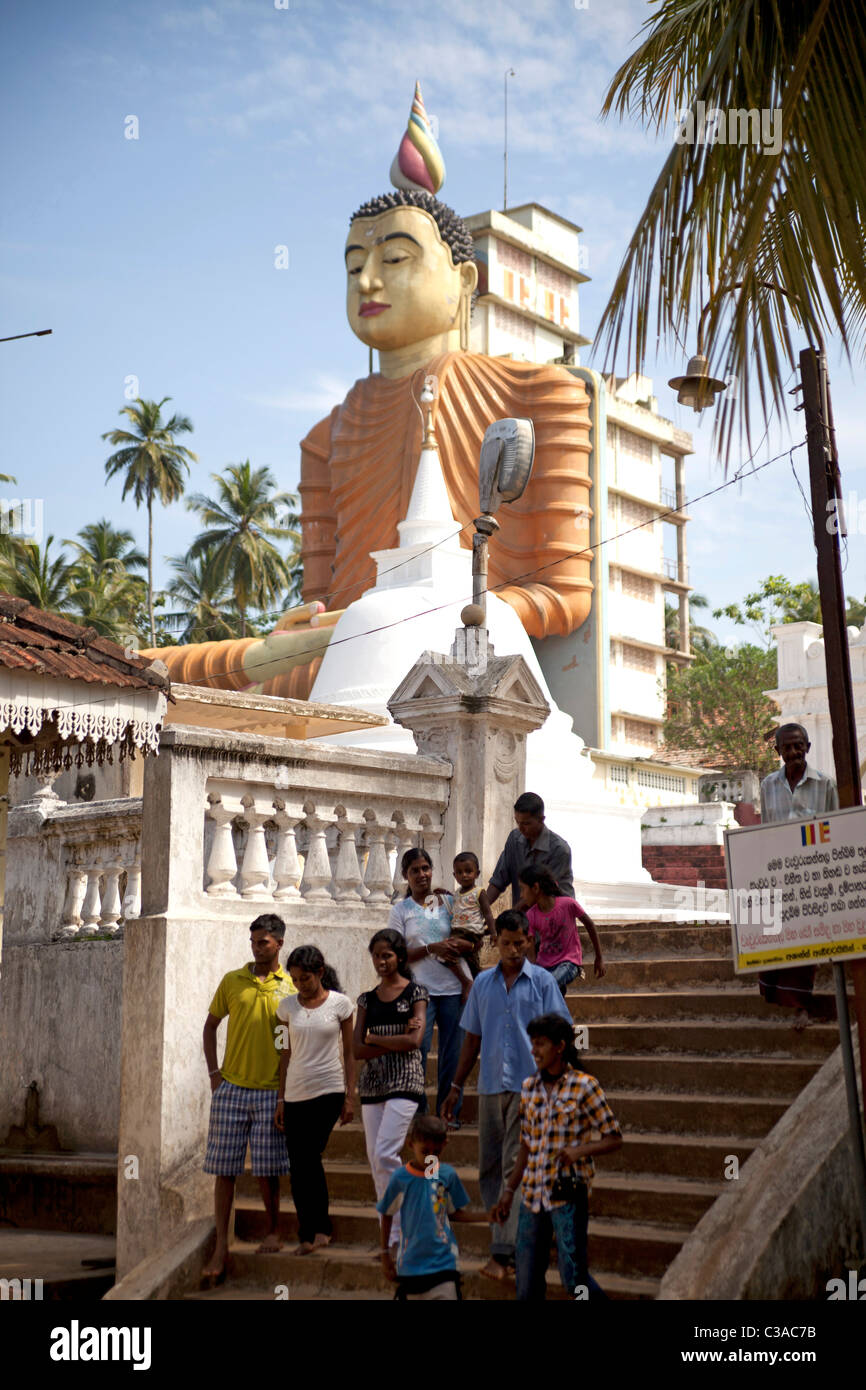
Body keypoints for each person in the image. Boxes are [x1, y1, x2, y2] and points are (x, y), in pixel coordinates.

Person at [441, 910, 571, 1282]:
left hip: (529, 1087)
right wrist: (455, 1084)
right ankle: (515, 1240)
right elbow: (472, 1037)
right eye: (506, 943)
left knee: (516, 1162)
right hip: (489, 1086)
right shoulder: (483, 984)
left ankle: (506, 1252)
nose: (513, 950)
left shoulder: (544, 982)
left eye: (519, 942)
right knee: (490, 1167)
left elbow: (562, 1031)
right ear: (495, 942)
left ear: (530, 941)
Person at [494, 1012, 622, 1301]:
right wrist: (509, 1190)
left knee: (574, 1280)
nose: (534, 1050)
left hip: (567, 1195)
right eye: (533, 1043)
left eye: (540, 1044)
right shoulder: (528, 1088)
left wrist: (580, 1150)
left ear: (560, 1047)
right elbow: (526, 1144)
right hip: (531, 1196)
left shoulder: (585, 1086)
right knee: (526, 1284)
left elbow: (614, 1137)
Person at [201, 914, 295, 1283]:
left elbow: (287, 1046)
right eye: (253, 941)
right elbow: (210, 1026)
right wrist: (214, 1075)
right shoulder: (232, 980)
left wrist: (284, 1094)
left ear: (279, 945)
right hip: (230, 1088)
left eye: (263, 943)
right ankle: (221, 1244)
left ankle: (273, 1229)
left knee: (268, 1170)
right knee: (223, 1171)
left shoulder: (289, 987)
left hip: (271, 1090)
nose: (256, 948)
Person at [274, 944, 355, 1256]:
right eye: (295, 980)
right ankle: (311, 1232)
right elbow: (284, 1053)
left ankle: (316, 1230)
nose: (300, 985)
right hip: (295, 1093)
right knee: (300, 1165)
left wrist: (350, 1096)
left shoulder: (341, 1005)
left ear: (320, 973)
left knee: (308, 1156)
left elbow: (349, 1053)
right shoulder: (285, 1008)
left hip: (329, 1091)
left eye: (305, 978)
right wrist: (280, 1099)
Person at [759, 723, 839, 1028]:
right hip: (779, 875)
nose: (793, 752)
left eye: (798, 746)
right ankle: (787, 1000)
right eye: (786, 747)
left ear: (807, 746)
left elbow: (835, 832)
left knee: (805, 941)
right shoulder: (768, 785)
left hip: (812, 877)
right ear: (778, 751)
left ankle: (801, 1007)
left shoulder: (825, 785)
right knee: (780, 938)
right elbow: (765, 830)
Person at [354, 928, 428, 1252]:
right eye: (376, 956)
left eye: (387, 955)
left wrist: (375, 1038)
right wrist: (392, 1041)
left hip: (405, 1081)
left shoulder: (416, 993)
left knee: (386, 1152)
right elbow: (356, 1049)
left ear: (399, 956)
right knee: (375, 1159)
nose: (381, 961)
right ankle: (392, 1236)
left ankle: (404, 1224)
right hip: (372, 1084)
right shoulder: (366, 999)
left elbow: (414, 1042)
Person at [387, 846, 473, 1119]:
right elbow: (395, 955)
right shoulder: (401, 910)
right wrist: (431, 948)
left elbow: (470, 936)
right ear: (405, 875)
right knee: (417, 1051)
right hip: (419, 994)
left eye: (426, 868)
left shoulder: (448, 903)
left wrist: (457, 945)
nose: (422, 874)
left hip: (454, 989)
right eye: (415, 870)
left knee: (453, 1056)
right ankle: (420, 1115)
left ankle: (449, 1114)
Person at [377, 1114, 490, 1300]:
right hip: (411, 1265)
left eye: (436, 1152)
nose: (430, 1158)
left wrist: (487, 1217)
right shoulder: (400, 1179)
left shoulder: (447, 1175)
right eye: (425, 1151)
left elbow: (454, 1213)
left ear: (444, 1145)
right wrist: (385, 1254)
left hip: (443, 1263)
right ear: (411, 1145)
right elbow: (386, 1213)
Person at [519, 865, 606, 995]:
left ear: (535, 888)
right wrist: (532, 973)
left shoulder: (568, 904)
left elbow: (590, 925)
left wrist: (599, 957)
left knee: (549, 984)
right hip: (544, 965)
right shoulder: (531, 915)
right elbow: (531, 954)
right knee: (548, 991)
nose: (521, 895)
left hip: (569, 962)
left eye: (523, 889)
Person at [487, 792, 574, 912]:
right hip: (525, 919)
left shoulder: (559, 850)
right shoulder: (514, 839)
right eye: (518, 822)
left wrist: (510, 916)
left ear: (541, 820)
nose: (521, 828)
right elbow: (498, 880)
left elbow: (538, 893)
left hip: (556, 918)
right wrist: (480, 910)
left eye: (526, 823)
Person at [450, 851, 495, 978]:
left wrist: (493, 933)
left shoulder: (479, 892)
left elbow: (488, 914)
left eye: (468, 871)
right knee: (467, 959)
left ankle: (475, 979)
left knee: (450, 950)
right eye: (459, 872)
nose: (464, 875)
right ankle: (473, 978)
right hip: (458, 930)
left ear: (477, 874)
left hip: (471, 932)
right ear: (454, 875)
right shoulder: (457, 893)